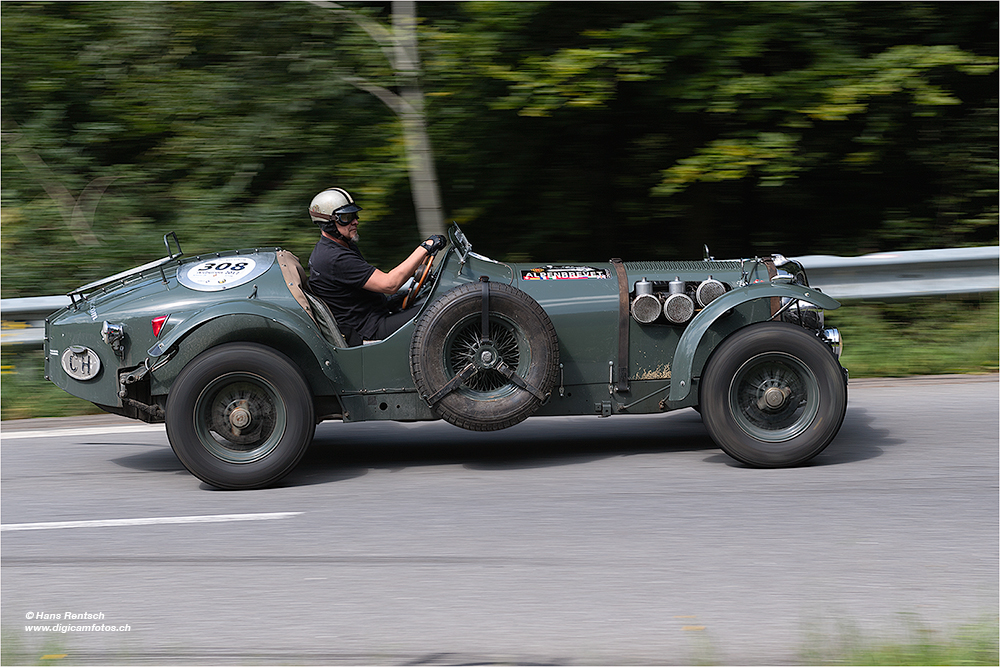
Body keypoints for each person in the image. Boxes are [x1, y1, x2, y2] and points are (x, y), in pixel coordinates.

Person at [307, 187, 446, 346]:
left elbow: (362, 292)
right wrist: (426, 247)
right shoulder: (333, 258)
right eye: (346, 217)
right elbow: (389, 284)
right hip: (370, 331)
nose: (355, 221)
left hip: (375, 317)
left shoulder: (339, 247)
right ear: (328, 223)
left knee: (433, 300)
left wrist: (389, 302)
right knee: (441, 308)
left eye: (354, 215)